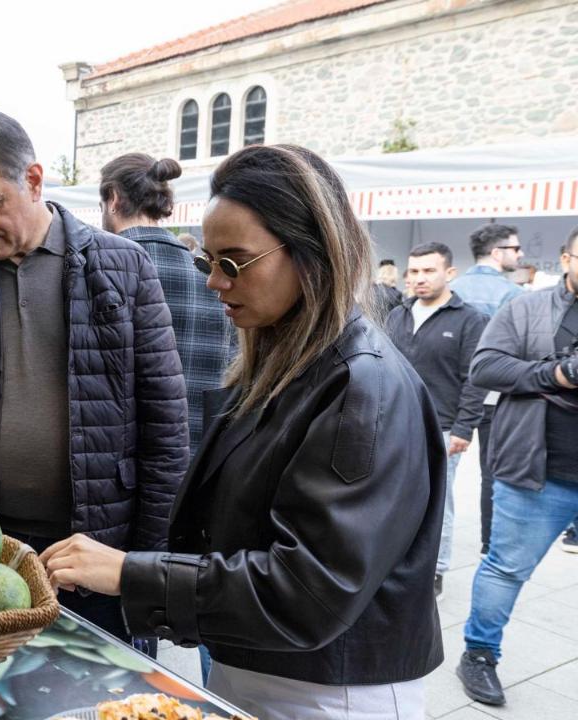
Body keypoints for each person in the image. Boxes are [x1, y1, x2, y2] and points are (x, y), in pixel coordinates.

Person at [41, 144, 445, 720]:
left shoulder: (362, 389)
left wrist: (132, 573)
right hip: (267, 667)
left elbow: (308, 591)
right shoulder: (290, 366)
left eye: (233, 261)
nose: (213, 281)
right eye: (210, 259)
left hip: (326, 690)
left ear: (311, 252)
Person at [0, 110, 189, 643]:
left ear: (33, 180)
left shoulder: (124, 267)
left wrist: (139, 563)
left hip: (99, 549)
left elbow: (166, 428)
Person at [456, 227, 578, 707]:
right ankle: (480, 654)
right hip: (538, 472)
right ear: (567, 257)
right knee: (506, 569)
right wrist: (555, 374)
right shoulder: (526, 307)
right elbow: (484, 367)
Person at [99, 152, 231, 454]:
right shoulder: (214, 276)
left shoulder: (95, 271)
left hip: (118, 467)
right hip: (200, 461)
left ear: (113, 198)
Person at [383, 242, 488, 600]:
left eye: (428, 271)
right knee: (390, 497)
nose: (419, 279)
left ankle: (435, 570)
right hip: (393, 423)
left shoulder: (470, 319)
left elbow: (475, 379)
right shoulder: (398, 314)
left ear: (449, 273)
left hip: (442, 428)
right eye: (413, 271)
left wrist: (463, 428)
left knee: (437, 504)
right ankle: (393, 561)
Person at [450, 223, 526, 556]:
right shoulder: (514, 295)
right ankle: (489, 545)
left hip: (454, 396)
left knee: (439, 475)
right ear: (497, 253)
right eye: (515, 249)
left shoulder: (454, 287)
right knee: (493, 473)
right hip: (496, 397)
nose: (520, 254)